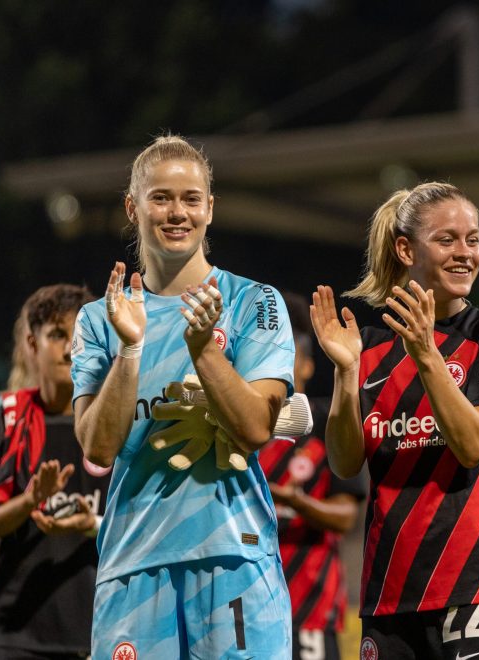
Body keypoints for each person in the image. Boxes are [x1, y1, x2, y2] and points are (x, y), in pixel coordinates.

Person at [72, 134, 296, 659]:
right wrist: (130, 349)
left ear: (210, 208)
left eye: (191, 199)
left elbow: (256, 428)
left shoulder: (253, 303)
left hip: (235, 559)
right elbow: (99, 449)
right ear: (133, 207)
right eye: (161, 198)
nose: (178, 213)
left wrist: (205, 352)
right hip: (134, 564)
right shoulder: (98, 320)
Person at [310, 182, 479, 659]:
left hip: (477, 588)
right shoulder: (367, 347)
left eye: (472, 239)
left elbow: (473, 445)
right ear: (406, 249)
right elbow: (345, 463)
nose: (465, 253)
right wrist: (346, 374)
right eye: (447, 239)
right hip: (389, 595)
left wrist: (427, 354)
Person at [0, 283, 111, 659]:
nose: (68, 348)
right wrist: (31, 499)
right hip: (16, 634)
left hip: (98, 631)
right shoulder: (4, 419)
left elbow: (140, 521)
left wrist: (91, 522)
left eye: (79, 336)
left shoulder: (113, 421)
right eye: (57, 335)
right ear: (31, 344)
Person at [258, 292, 366, 660]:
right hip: (249, 609)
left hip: (312, 610)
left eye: (290, 359)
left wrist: (293, 501)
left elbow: (346, 517)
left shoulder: (329, 425)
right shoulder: (246, 426)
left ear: (306, 366)